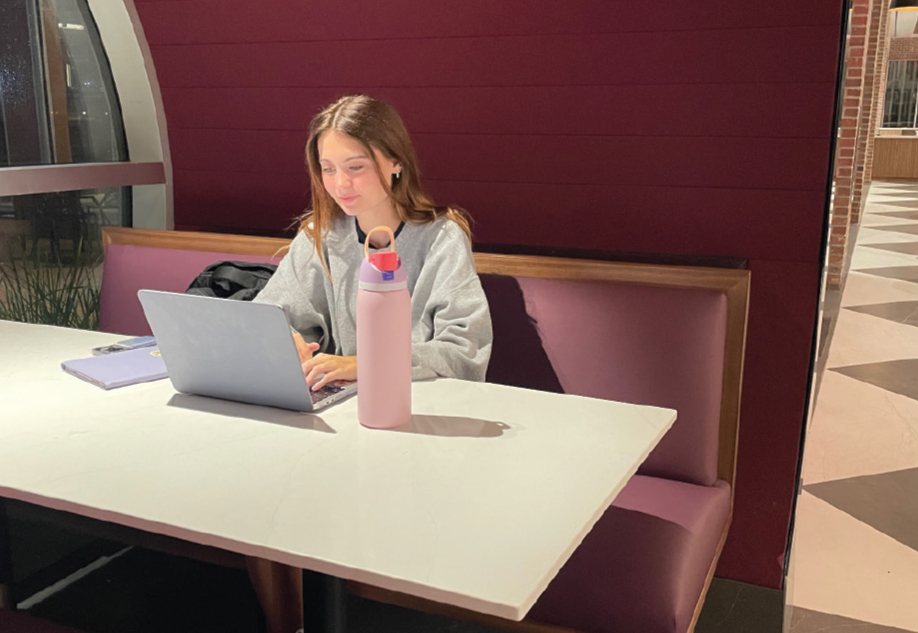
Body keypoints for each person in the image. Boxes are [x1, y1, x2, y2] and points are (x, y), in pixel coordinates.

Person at [248, 94, 493, 633]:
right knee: (258, 495)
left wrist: (362, 363)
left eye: (355, 167)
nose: (341, 184)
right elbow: (274, 311)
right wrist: (283, 338)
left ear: (394, 161)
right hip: (338, 421)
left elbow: (463, 353)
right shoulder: (323, 234)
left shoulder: (441, 237)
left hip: (415, 428)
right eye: (328, 168)